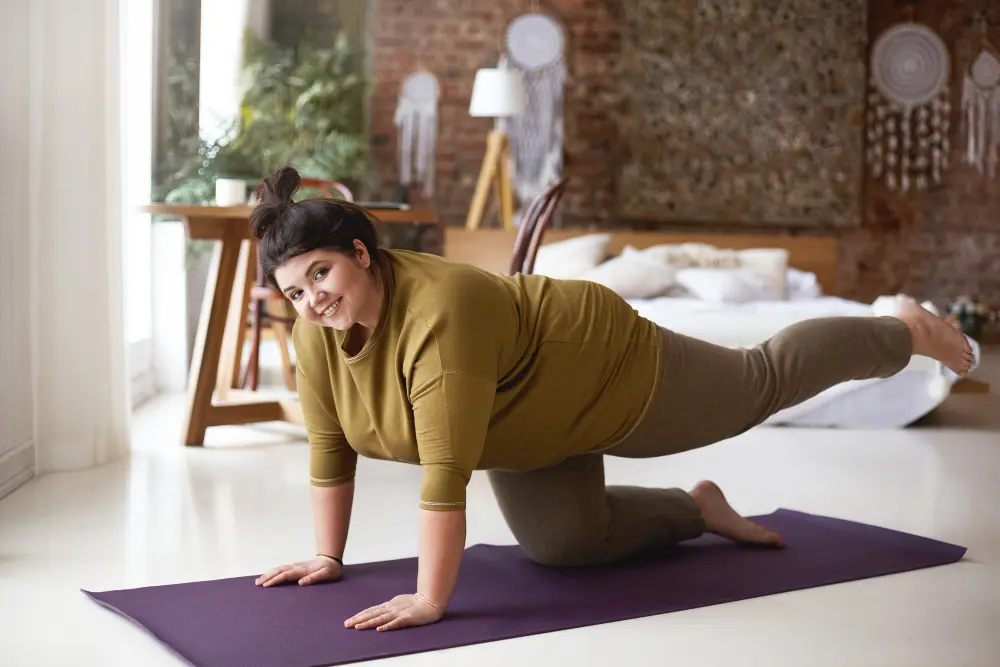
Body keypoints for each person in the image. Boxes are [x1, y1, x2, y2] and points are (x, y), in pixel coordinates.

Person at [252, 166, 974, 632]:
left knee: (759, 383)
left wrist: (430, 598)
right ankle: (700, 508)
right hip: (518, 423)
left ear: (360, 252)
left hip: (600, 366)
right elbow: (329, 446)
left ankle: (900, 330)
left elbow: (446, 474)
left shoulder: (442, 309)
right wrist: (326, 553)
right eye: (295, 289)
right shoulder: (319, 329)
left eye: (322, 272)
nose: (312, 298)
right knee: (566, 544)